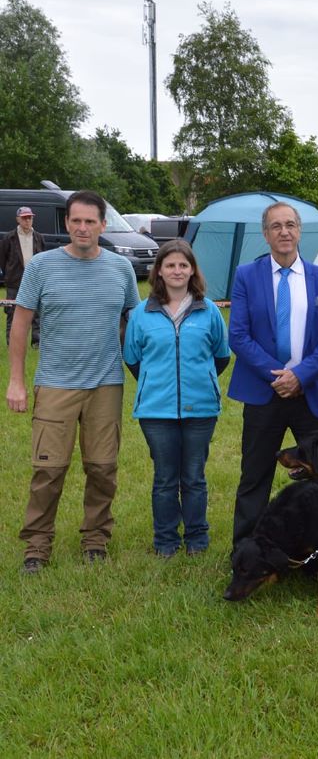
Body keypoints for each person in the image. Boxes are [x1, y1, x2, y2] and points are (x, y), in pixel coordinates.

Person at [6, 190, 140, 573]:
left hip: (106, 385)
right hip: (56, 383)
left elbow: (135, 323)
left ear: (103, 224)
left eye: (90, 221)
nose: (83, 228)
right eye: (76, 221)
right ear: (67, 224)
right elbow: (21, 323)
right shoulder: (42, 267)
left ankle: (95, 540)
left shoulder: (121, 269)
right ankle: (36, 546)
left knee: (102, 468)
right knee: (48, 470)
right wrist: (17, 381)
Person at [228, 202, 318, 548]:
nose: (284, 232)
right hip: (265, 393)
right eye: (276, 226)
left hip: (310, 394)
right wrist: (276, 376)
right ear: (265, 234)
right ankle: (246, 551)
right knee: (255, 476)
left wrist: (301, 375)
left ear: (299, 231)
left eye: (290, 225)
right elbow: (239, 334)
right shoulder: (246, 276)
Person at [123, 240, 231, 558]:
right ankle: (166, 540)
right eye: (170, 265)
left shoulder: (208, 310)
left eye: (183, 265)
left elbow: (220, 356)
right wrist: (159, 384)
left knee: (194, 477)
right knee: (165, 478)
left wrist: (199, 381)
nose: (177, 270)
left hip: (201, 409)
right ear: (159, 270)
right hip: (157, 411)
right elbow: (133, 359)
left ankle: (197, 538)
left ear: (192, 270)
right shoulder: (141, 314)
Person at [1, 206, 45, 346]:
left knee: (36, 313)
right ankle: (11, 342)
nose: (27, 220)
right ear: (18, 219)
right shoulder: (9, 238)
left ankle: (36, 342)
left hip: (34, 280)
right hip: (14, 281)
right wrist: (9, 274)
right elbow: (2, 259)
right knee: (12, 312)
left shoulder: (38, 237)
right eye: (25, 218)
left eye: (30, 217)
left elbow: (43, 258)